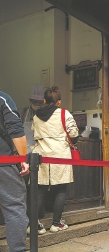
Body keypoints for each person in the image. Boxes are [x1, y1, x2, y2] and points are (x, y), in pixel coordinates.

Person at [31, 86, 79, 233]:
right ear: (58, 102)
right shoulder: (64, 114)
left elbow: (34, 132)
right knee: (61, 190)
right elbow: (74, 134)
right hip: (60, 155)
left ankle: (33, 225)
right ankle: (56, 223)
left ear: (44, 100)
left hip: (40, 155)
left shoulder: (36, 116)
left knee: (40, 191)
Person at [0, 91, 30, 252]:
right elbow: (15, 128)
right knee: (14, 208)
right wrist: (23, 158)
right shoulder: (3, 99)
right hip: (4, 163)